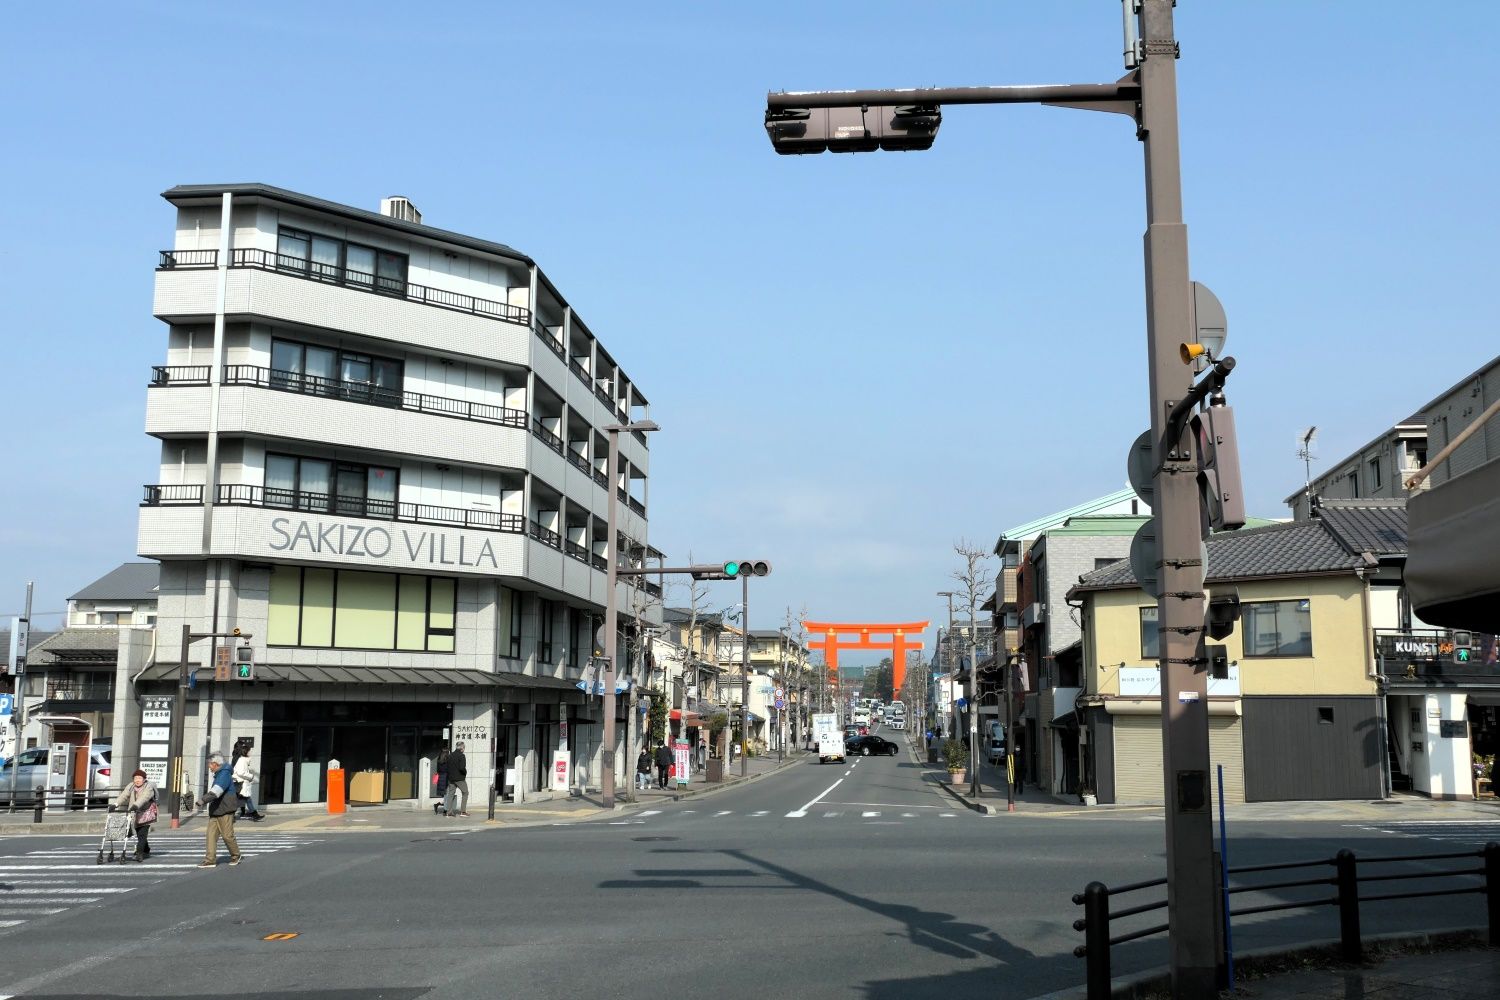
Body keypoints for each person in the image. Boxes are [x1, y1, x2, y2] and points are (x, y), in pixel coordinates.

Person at [198, 752, 242, 869]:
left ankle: (236, 855)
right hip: (216, 810)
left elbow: (217, 791)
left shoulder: (224, 774)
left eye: (209, 764)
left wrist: (202, 800)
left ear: (215, 763)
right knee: (210, 836)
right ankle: (210, 860)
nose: (209, 766)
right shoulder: (219, 774)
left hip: (225, 809)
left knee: (227, 835)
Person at [115, 769, 158, 862]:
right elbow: (124, 795)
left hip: (146, 813)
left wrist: (135, 805)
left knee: (142, 834)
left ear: (144, 779)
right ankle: (146, 849)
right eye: (135, 778)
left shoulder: (148, 787)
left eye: (139, 778)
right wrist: (115, 804)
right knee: (139, 834)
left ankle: (139, 853)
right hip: (134, 812)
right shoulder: (131, 786)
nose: (137, 780)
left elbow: (144, 798)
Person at [232, 741, 265, 822]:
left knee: (245, 798)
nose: (250, 752)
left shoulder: (238, 758)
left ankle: (253, 814)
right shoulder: (241, 760)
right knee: (241, 799)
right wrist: (251, 776)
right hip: (240, 782)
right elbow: (240, 772)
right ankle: (253, 814)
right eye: (249, 750)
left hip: (238, 782)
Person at [445, 741, 469, 817]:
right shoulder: (461, 756)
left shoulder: (450, 755)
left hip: (451, 778)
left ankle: (448, 812)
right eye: (464, 747)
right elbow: (462, 768)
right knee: (465, 793)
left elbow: (447, 767)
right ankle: (463, 812)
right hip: (460, 778)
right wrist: (465, 772)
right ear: (462, 748)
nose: (464, 749)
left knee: (450, 794)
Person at [433, 748, 450, 815]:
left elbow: (438, 770)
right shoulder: (448, 760)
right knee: (447, 794)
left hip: (441, 778)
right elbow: (448, 769)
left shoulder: (439, 759)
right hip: (446, 778)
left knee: (445, 795)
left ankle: (438, 805)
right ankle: (445, 810)